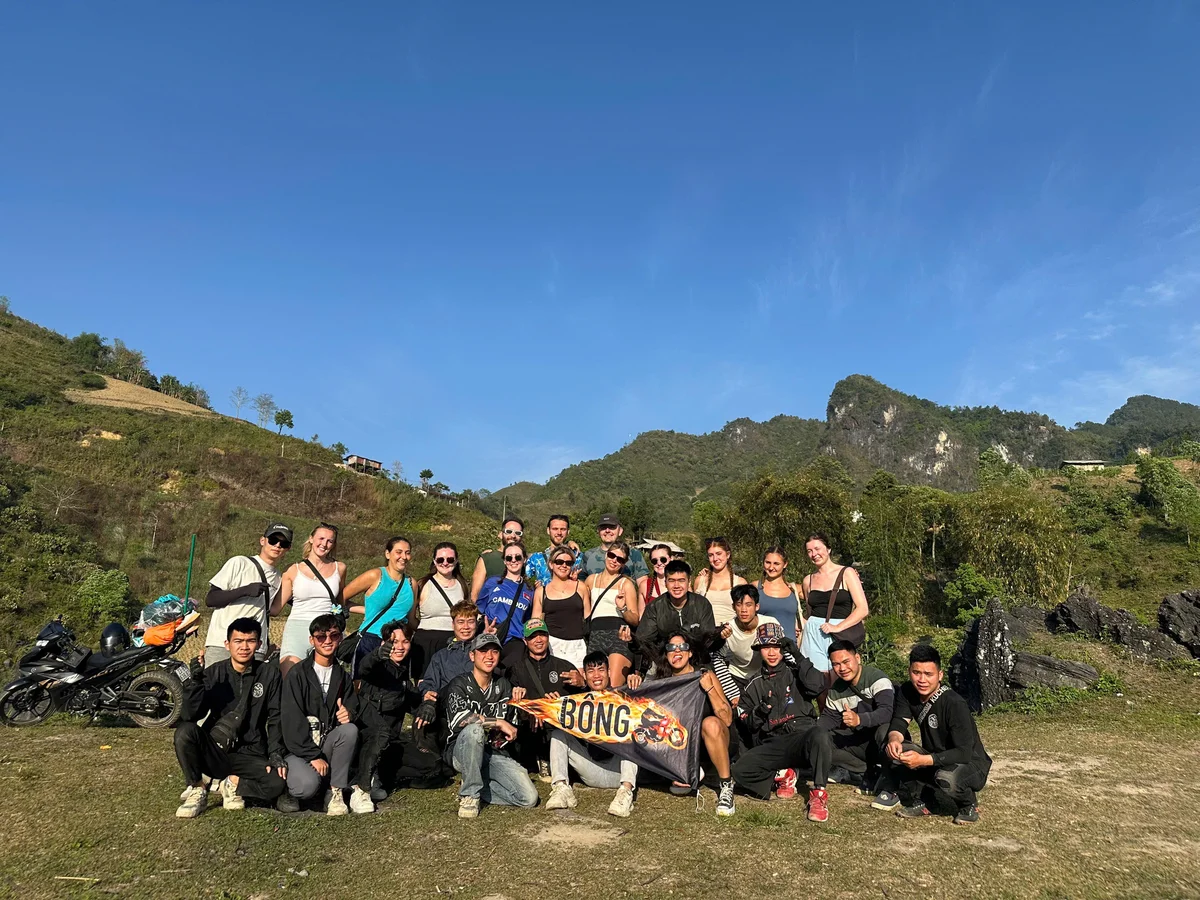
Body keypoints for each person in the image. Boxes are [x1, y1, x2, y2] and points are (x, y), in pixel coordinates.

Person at [174, 617, 287, 818]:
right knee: (185, 732)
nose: (244, 647)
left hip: (252, 752)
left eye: (250, 641)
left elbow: (276, 717)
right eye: (238, 641)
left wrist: (275, 753)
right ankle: (198, 787)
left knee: (277, 783)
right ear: (227, 644)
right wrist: (196, 683)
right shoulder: (214, 672)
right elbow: (190, 715)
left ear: (259, 644)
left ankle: (232, 784)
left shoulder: (269, 674)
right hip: (216, 751)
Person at [730, 622, 833, 822]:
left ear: (783, 649)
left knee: (820, 734)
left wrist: (799, 656)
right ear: (759, 649)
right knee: (739, 770)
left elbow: (818, 685)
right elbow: (748, 723)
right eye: (766, 647)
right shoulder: (754, 684)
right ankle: (782, 775)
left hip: (802, 736)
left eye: (776, 647)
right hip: (774, 741)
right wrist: (761, 710)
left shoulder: (797, 672)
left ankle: (819, 794)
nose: (771, 653)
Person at [878, 644, 991, 825]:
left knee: (947, 778)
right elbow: (900, 721)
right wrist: (894, 740)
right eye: (917, 673)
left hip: (969, 763)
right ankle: (925, 801)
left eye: (928, 674)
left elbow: (964, 752)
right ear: (909, 671)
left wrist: (921, 761)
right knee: (897, 751)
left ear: (940, 675)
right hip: (936, 757)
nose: (922, 680)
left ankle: (968, 805)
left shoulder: (954, 703)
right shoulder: (907, 691)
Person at [629, 629, 736, 816]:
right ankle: (684, 771)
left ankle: (726, 785)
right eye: (671, 647)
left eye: (682, 647)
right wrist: (635, 681)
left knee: (710, 723)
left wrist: (709, 689)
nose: (677, 651)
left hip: (712, 741)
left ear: (690, 652)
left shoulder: (705, 674)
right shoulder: (662, 682)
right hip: (681, 748)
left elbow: (726, 719)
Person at [444, 633, 539, 818]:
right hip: (461, 751)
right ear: (472, 655)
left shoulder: (503, 685)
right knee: (474, 731)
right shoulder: (459, 684)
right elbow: (459, 720)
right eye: (483, 651)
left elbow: (513, 727)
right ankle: (469, 795)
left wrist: (522, 708)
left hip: (492, 753)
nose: (489, 656)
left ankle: (476, 784)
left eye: (494, 651)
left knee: (529, 798)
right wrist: (498, 722)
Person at [280, 614, 367, 815]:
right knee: (306, 787)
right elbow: (291, 720)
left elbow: (352, 705)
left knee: (349, 730)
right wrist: (312, 756)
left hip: (326, 743)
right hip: (299, 749)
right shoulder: (297, 674)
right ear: (312, 640)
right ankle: (288, 790)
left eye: (334, 636)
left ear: (340, 639)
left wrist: (349, 713)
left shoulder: (342, 675)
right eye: (321, 637)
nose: (327, 641)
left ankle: (334, 791)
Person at [545, 651, 638, 817]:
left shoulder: (623, 697)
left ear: (609, 673)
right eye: (591, 671)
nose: (596, 675)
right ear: (584, 675)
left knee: (631, 731)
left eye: (601, 670)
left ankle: (625, 794)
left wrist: (638, 682)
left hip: (619, 771)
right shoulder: (577, 700)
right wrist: (551, 707)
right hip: (591, 770)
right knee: (558, 734)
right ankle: (561, 788)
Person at [354, 620, 437, 806]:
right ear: (384, 643)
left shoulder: (403, 679)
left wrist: (427, 706)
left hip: (389, 745)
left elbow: (417, 704)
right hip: (365, 741)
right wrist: (376, 655)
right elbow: (364, 667)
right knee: (378, 737)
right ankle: (361, 787)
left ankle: (382, 775)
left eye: (405, 641)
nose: (399, 647)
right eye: (393, 641)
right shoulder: (376, 668)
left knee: (431, 764)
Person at [507, 618, 585, 779]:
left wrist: (582, 684)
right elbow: (508, 701)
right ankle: (540, 759)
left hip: (559, 727)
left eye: (542, 635)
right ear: (525, 640)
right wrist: (532, 707)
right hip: (531, 728)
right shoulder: (516, 669)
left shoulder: (563, 666)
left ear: (548, 637)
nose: (538, 640)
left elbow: (582, 703)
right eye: (533, 636)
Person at [203, 523, 291, 665]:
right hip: (223, 642)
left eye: (283, 543)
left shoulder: (281, 578)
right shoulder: (239, 563)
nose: (277, 545)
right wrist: (245, 590)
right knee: (215, 686)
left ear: (288, 548)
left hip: (255, 648)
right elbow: (211, 599)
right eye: (273, 540)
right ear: (263, 541)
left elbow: (274, 610)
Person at [819, 639, 894, 790]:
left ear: (858, 658)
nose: (842, 668)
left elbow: (887, 712)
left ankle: (891, 775)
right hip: (859, 742)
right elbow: (828, 719)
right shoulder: (835, 690)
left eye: (846, 661)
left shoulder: (877, 678)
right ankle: (866, 770)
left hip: (882, 740)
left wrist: (860, 719)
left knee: (884, 730)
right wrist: (809, 731)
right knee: (821, 739)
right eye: (836, 664)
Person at [276, 524, 345, 677]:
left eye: (330, 541)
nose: (324, 544)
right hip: (298, 627)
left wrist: (364, 609)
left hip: (327, 630)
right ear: (311, 539)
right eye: (321, 538)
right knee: (291, 677)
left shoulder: (339, 568)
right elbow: (275, 608)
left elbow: (340, 603)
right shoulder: (293, 570)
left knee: (325, 681)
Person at [343, 536, 417, 677]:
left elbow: (411, 619)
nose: (404, 557)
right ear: (387, 554)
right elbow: (342, 597)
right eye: (399, 552)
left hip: (398, 644)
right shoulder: (375, 575)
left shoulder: (411, 583)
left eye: (407, 553)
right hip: (371, 639)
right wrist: (366, 611)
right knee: (362, 685)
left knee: (394, 691)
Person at [798, 533, 870, 673]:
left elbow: (863, 609)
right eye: (809, 551)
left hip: (839, 634)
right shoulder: (808, 580)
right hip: (813, 635)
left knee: (841, 676)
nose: (814, 554)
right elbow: (810, 612)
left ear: (828, 549)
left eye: (817, 549)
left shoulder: (847, 573)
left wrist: (838, 627)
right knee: (816, 681)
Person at [634, 560, 715, 669]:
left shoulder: (702, 604)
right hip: (666, 662)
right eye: (671, 581)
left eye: (681, 580)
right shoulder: (655, 607)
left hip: (698, 661)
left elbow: (708, 640)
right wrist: (631, 640)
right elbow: (643, 641)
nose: (676, 585)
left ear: (689, 581)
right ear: (665, 582)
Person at [583, 540, 641, 686]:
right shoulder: (591, 580)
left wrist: (622, 609)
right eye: (611, 555)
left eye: (620, 559)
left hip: (618, 635)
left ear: (624, 563)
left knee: (613, 687)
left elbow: (635, 619)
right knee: (596, 686)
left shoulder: (626, 584)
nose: (614, 561)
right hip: (595, 635)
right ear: (605, 555)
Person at [710, 584, 780, 705]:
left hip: (765, 675)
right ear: (733, 606)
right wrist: (733, 694)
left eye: (748, 605)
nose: (743, 610)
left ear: (756, 606)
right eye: (739, 604)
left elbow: (785, 652)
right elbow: (717, 659)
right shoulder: (727, 630)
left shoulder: (770, 624)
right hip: (738, 676)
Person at [412, 542, 467, 680]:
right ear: (434, 561)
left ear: (456, 560)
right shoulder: (422, 584)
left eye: (450, 559)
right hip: (426, 643)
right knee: (424, 686)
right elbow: (411, 616)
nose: (445, 563)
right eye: (440, 559)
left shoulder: (462, 585)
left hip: (453, 642)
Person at [476, 542, 535, 668]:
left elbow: (527, 619)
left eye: (518, 557)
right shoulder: (492, 583)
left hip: (515, 642)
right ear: (504, 560)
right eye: (509, 557)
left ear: (524, 559)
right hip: (491, 637)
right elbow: (480, 609)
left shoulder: (529, 590)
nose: (513, 561)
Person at [531, 546, 591, 668]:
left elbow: (589, 620)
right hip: (553, 645)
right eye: (559, 562)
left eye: (568, 563)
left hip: (577, 645)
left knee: (580, 683)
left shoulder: (580, 587)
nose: (564, 565)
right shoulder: (541, 591)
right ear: (551, 564)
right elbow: (535, 624)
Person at [693, 537, 746, 628]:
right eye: (710, 555)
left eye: (719, 554)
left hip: (731, 634)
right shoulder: (700, 581)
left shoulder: (740, 582)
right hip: (706, 635)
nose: (715, 558)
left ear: (728, 554)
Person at [470, 516, 525, 601]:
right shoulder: (488, 558)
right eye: (509, 531)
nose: (513, 535)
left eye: (518, 533)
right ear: (500, 534)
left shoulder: (524, 561)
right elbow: (475, 594)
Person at [756, 545, 803, 643]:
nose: (771, 567)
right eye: (768, 562)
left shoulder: (795, 589)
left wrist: (800, 623)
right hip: (763, 648)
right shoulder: (755, 587)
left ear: (785, 564)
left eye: (776, 563)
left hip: (790, 649)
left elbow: (819, 606)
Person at [581, 514, 649, 579]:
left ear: (620, 531)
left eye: (612, 527)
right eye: (603, 527)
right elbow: (581, 584)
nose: (607, 531)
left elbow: (643, 584)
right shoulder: (588, 555)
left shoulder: (634, 554)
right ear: (598, 531)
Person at [526, 515, 584, 586]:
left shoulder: (578, 556)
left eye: (563, 529)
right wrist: (533, 588)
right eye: (555, 529)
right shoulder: (537, 558)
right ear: (548, 530)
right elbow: (520, 579)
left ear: (568, 531)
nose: (559, 532)